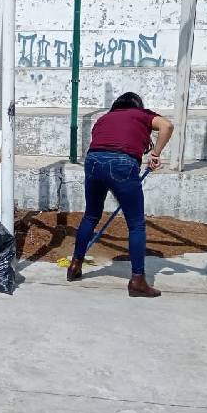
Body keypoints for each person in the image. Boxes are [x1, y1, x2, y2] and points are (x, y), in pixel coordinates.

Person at [68, 92, 174, 298]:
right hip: (122, 163)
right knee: (135, 224)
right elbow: (167, 126)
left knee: (91, 215)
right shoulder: (142, 114)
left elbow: (104, 142)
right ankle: (137, 281)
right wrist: (155, 154)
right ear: (137, 105)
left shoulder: (104, 118)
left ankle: (75, 265)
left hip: (93, 161)